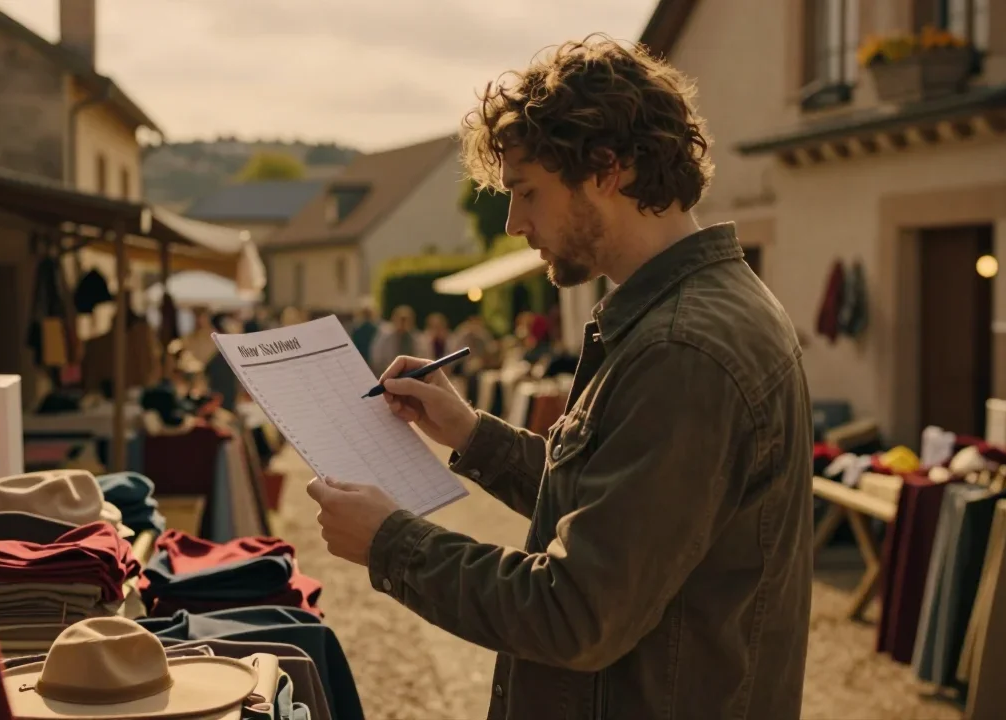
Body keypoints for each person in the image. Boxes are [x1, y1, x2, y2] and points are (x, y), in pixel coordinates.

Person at [306, 35, 812, 720]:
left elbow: (576, 613)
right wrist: (474, 434)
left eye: (526, 192)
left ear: (606, 170)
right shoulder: (691, 309)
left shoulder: (682, 347)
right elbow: (621, 507)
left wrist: (392, 543)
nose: (513, 223)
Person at [367, 305, 420, 375]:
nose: (403, 323)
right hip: (387, 373)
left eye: (407, 320)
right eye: (401, 319)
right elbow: (376, 357)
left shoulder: (416, 339)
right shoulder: (384, 337)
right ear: (394, 319)